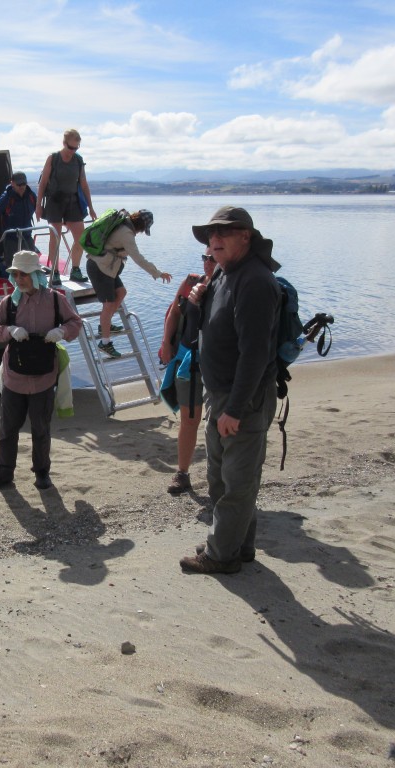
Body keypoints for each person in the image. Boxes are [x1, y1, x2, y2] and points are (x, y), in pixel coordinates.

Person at [179, 206, 281, 575]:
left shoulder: (254, 281)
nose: (214, 240)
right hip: (219, 393)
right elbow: (195, 336)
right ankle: (237, 545)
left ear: (246, 237)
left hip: (243, 397)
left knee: (237, 481)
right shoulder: (225, 273)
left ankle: (221, 556)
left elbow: (256, 354)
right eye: (210, 235)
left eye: (224, 233)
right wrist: (195, 306)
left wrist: (235, 409)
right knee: (222, 477)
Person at [0, 250, 82, 491]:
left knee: (41, 429)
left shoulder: (57, 300)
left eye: (23, 274)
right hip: (13, 378)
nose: (19, 279)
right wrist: (9, 331)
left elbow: (75, 323)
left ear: (36, 274)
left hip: (44, 378)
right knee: (7, 430)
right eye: (15, 274)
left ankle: (42, 473)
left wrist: (62, 332)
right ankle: (3, 475)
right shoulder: (9, 303)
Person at [158, 246, 217, 494]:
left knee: (216, 419)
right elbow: (175, 312)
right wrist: (166, 343)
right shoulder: (192, 281)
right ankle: (182, 473)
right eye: (205, 257)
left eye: (213, 258)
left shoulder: (232, 288)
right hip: (187, 358)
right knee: (189, 419)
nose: (207, 262)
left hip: (216, 362)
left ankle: (220, 475)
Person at [85, 209, 172, 359]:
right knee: (108, 304)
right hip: (100, 268)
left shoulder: (124, 224)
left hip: (108, 268)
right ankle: (105, 343)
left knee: (121, 292)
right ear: (141, 226)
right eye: (144, 230)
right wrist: (157, 273)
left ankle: (104, 326)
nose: (141, 233)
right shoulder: (127, 234)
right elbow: (138, 258)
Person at [35, 128, 94, 284]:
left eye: (76, 148)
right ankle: (54, 272)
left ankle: (75, 269)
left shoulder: (78, 161)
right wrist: (38, 205)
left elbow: (84, 184)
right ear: (64, 143)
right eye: (70, 147)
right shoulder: (53, 159)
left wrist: (91, 207)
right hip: (54, 201)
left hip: (72, 201)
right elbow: (43, 183)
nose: (73, 151)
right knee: (55, 237)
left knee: (81, 237)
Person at [0, 171, 37, 273]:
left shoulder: (31, 196)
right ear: (12, 183)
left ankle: (34, 287)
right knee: (14, 270)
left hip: (27, 237)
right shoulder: (6, 198)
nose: (22, 187)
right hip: (11, 240)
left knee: (33, 267)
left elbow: (40, 211)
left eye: (24, 184)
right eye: (19, 184)